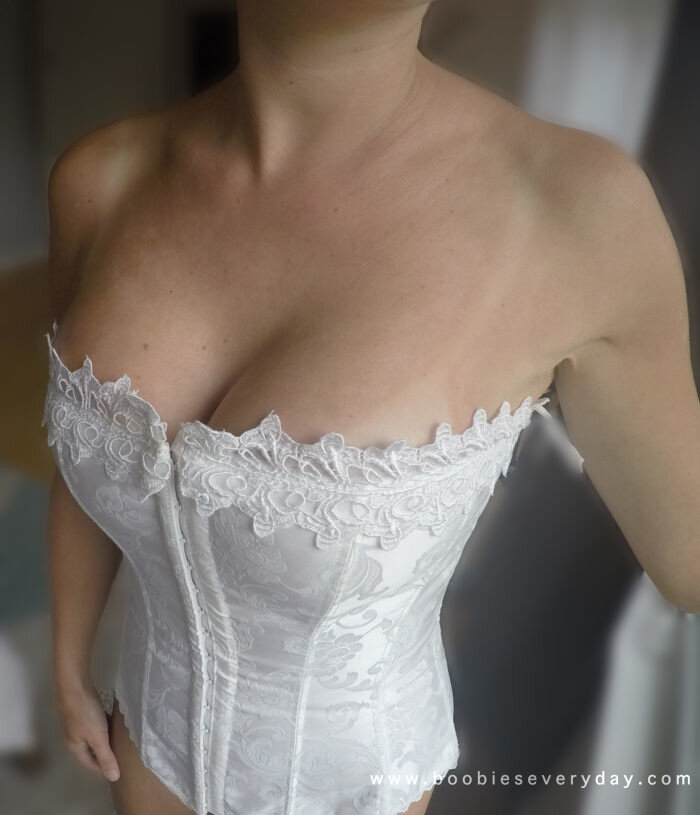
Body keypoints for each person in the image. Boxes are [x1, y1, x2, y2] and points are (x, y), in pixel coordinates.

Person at [43, 2, 700, 814]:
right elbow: (83, 455)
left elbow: (689, 560)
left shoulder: (578, 216)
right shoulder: (98, 181)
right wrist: (68, 662)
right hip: (143, 756)